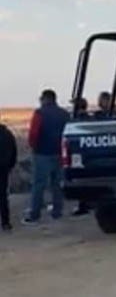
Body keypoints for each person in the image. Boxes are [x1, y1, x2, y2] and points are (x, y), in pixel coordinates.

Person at [24, 89, 70, 225]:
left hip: (42, 153)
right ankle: (57, 211)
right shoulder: (64, 114)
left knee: (39, 184)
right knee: (57, 184)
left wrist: (33, 146)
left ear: (44, 99)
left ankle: (34, 213)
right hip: (60, 153)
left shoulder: (39, 113)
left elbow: (34, 133)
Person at [70, 98, 92, 217]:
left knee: (82, 178)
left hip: (80, 153)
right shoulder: (88, 117)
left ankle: (84, 206)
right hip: (86, 153)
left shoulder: (79, 119)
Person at [0, 115, 17, 231]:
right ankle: (5, 222)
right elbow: (13, 151)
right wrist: (10, 166)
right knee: (2, 196)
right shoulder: (7, 134)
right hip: (3, 168)